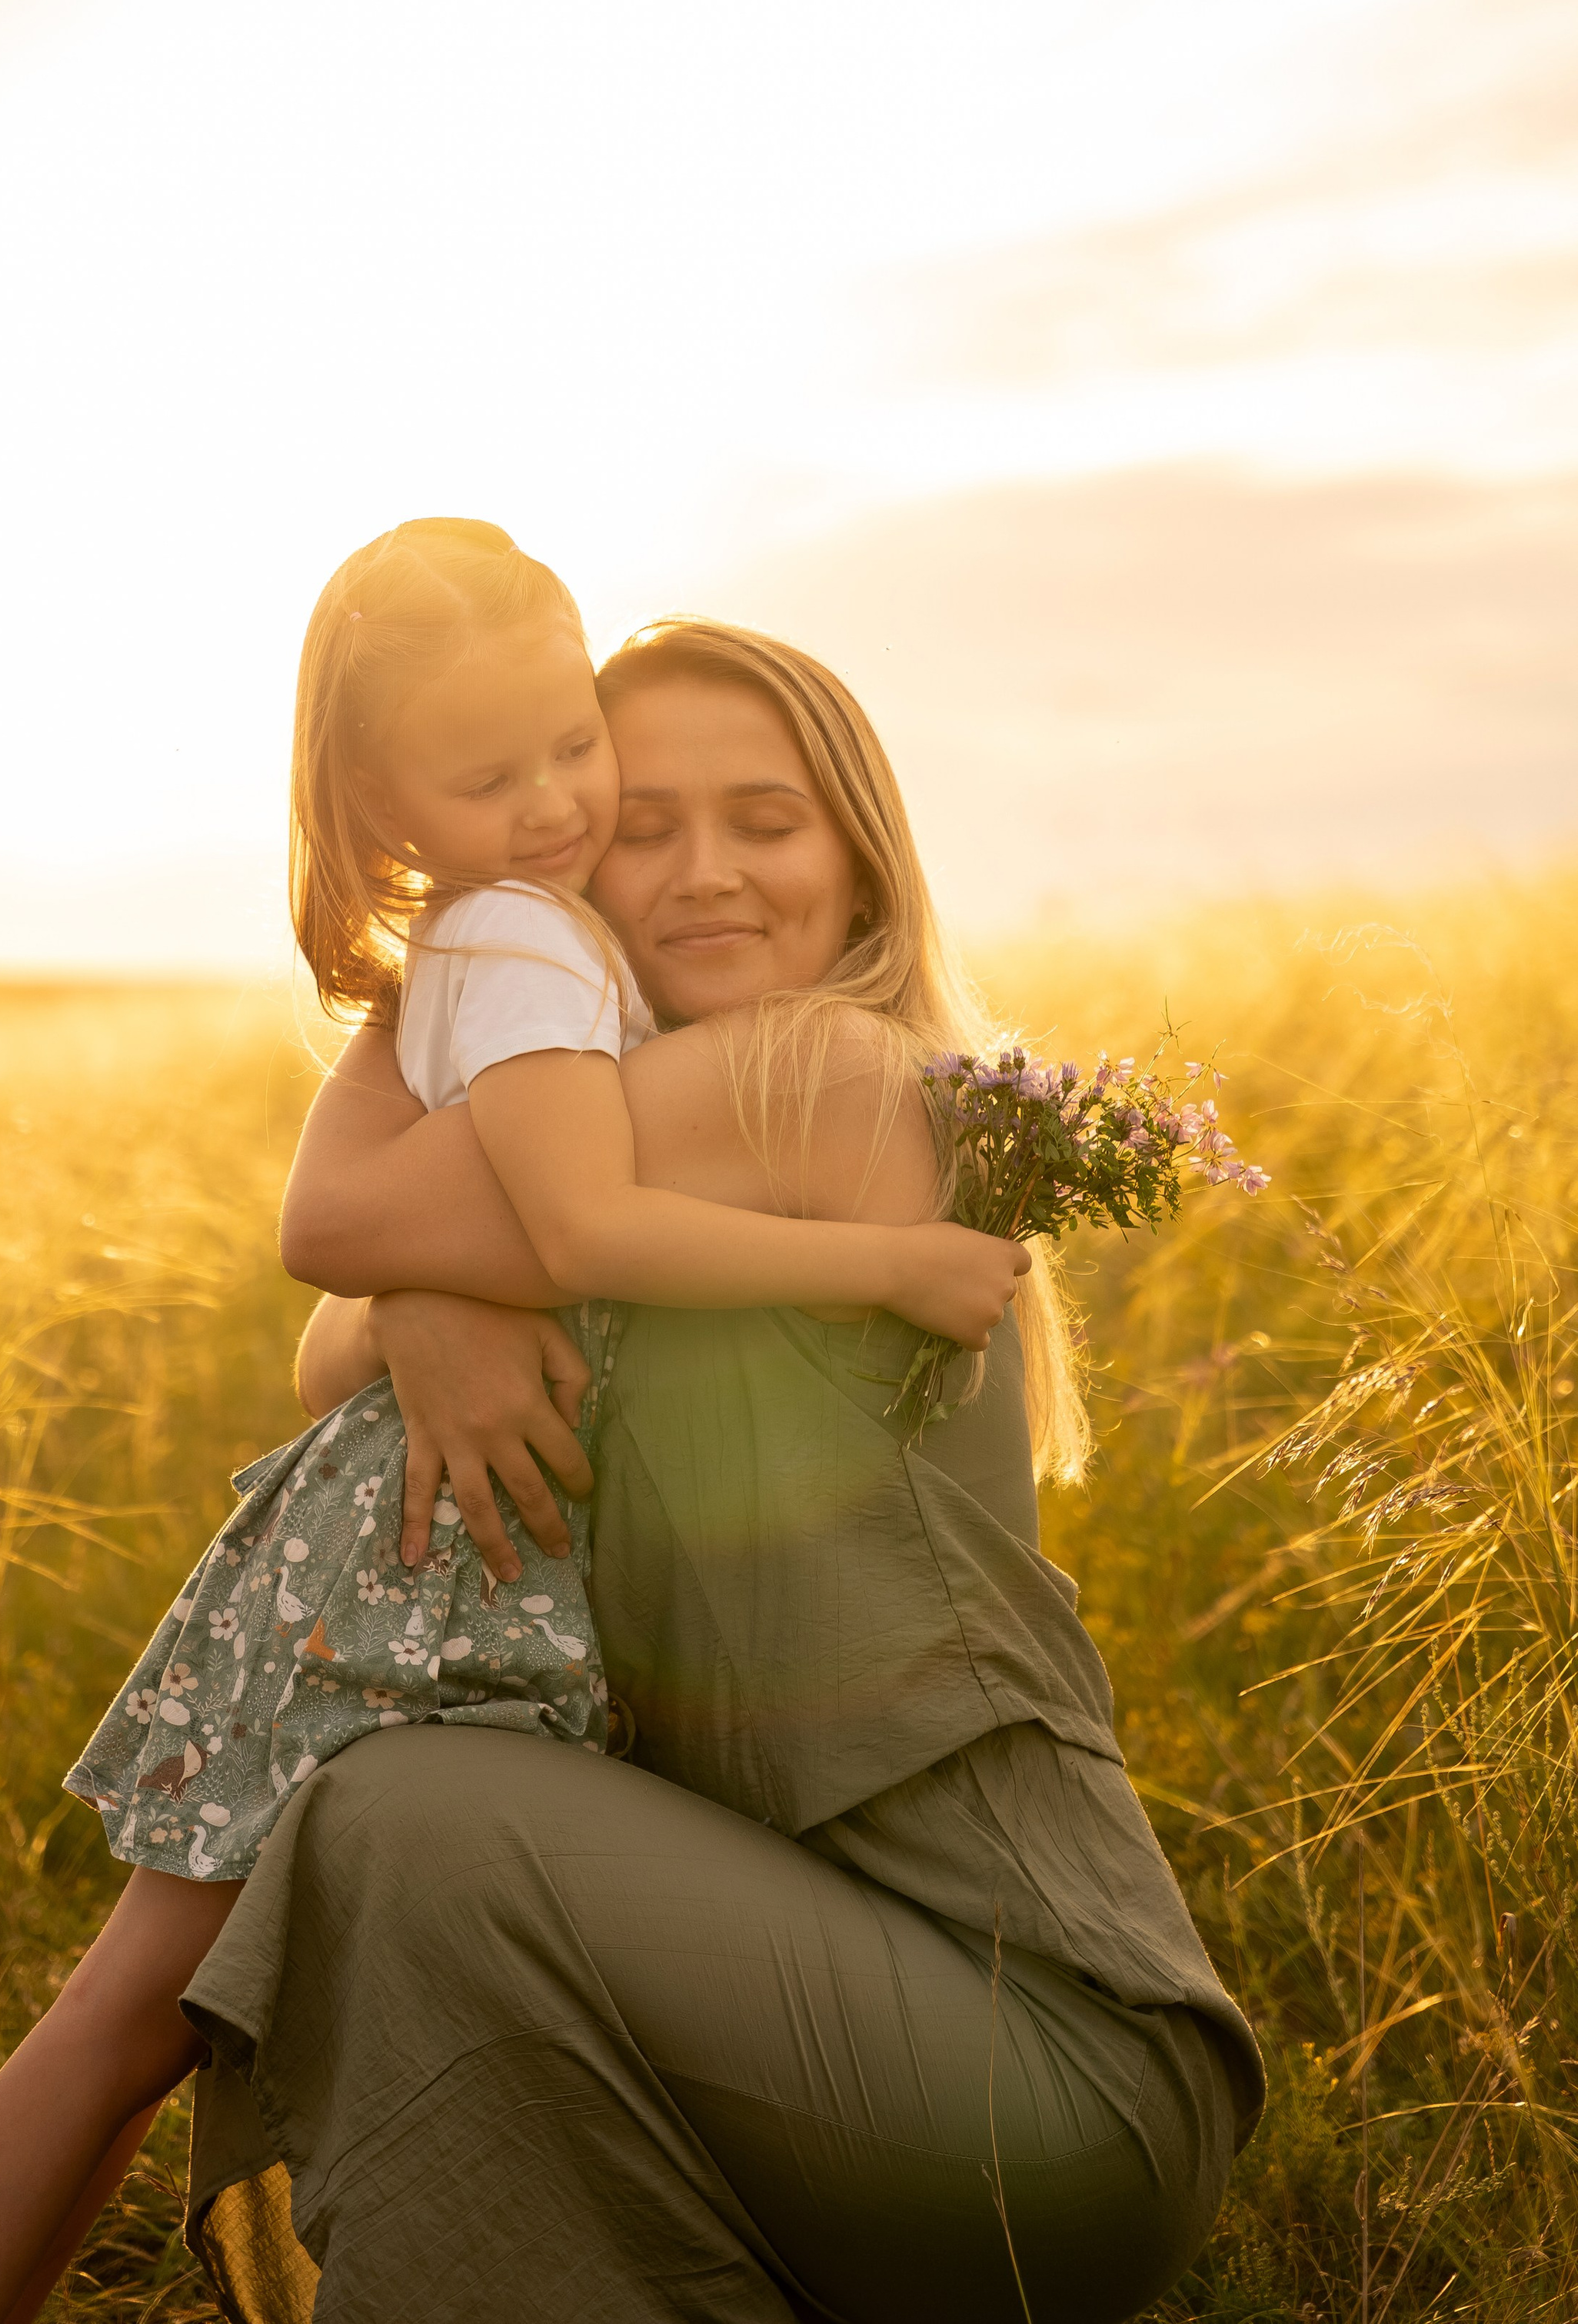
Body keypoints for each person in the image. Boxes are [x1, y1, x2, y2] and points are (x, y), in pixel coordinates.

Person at [0, 529, 1020, 2324]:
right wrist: (889, 1260)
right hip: (412, 1571)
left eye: (580, 756)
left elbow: (393, 1234)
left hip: (450, 1565)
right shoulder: (523, 950)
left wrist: (430, 1291)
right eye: (502, 780)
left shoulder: (551, 963)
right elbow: (404, 1232)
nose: (564, 808)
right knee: (132, 2015)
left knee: (141, 2018)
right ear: (385, 798)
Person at [175, 614, 1265, 2324]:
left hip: (1032, 2072)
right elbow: (342, 1334)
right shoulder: (633, 1170)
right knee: (417, 1817)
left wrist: (413, 1291)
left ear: (859, 863)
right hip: (793, 2055)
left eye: (763, 821)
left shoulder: (806, 1075)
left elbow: (333, 1246)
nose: (702, 874)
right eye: (644, 824)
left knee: (406, 1819)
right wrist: (421, 1307)